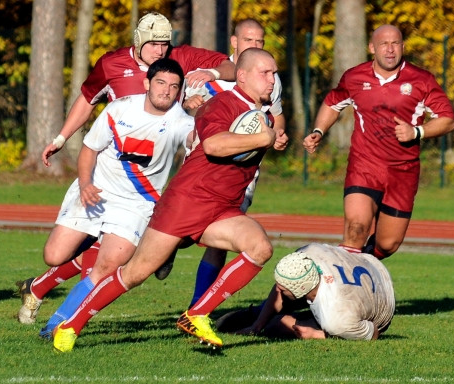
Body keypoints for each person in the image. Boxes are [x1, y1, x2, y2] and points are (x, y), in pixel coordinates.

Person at [52, 47, 288, 352]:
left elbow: (246, 141)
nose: (272, 79)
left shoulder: (260, 114)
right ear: (241, 76)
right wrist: (264, 139)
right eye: (265, 72)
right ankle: (70, 325)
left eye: (274, 73)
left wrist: (273, 137)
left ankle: (197, 313)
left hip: (221, 208)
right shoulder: (224, 103)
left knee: (260, 248)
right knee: (134, 273)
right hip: (186, 203)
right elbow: (215, 145)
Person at [16, 11, 234, 325]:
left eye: (165, 44)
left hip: (145, 186)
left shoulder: (182, 58)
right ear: (139, 40)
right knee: (57, 255)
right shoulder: (111, 64)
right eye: (155, 44)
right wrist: (62, 137)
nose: (161, 51)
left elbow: (230, 67)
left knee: (114, 259)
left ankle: (60, 325)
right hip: (106, 175)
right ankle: (39, 287)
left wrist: (211, 75)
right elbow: (87, 99)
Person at [36, 58, 195, 339]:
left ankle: (56, 325)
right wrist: (85, 184)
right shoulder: (119, 108)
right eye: (160, 83)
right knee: (54, 256)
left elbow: (194, 139)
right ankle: (100, 238)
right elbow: (89, 150)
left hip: (136, 205)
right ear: (147, 83)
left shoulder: (181, 122)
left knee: (106, 267)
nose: (166, 91)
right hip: (96, 190)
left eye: (173, 86)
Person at [155, 19, 286, 311]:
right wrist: (193, 106)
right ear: (234, 42)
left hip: (243, 170)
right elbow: (180, 109)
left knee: (223, 241)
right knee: (186, 230)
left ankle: (197, 307)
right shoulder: (206, 75)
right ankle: (169, 248)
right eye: (249, 40)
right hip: (204, 165)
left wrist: (278, 134)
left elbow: (276, 116)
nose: (255, 45)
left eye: (260, 41)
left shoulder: (268, 78)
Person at [303, 25, 454, 259]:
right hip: (364, 166)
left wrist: (417, 132)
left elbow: (447, 120)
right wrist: (318, 131)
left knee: (387, 244)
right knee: (356, 228)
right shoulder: (355, 77)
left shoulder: (421, 80)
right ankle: (335, 287)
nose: (390, 49)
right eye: (384, 44)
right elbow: (333, 102)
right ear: (372, 48)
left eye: (395, 43)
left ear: (403, 47)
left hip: (402, 171)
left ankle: (361, 268)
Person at [216, 243, 395, 341]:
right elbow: (282, 285)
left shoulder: (336, 317)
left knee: (277, 326)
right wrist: (256, 326)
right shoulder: (308, 254)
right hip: (370, 264)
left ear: (302, 290)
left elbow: (374, 333)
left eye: (283, 287)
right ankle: (256, 316)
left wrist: (319, 334)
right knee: (268, 313)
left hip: (383, 302)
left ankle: (266, 317)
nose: (277, 288)